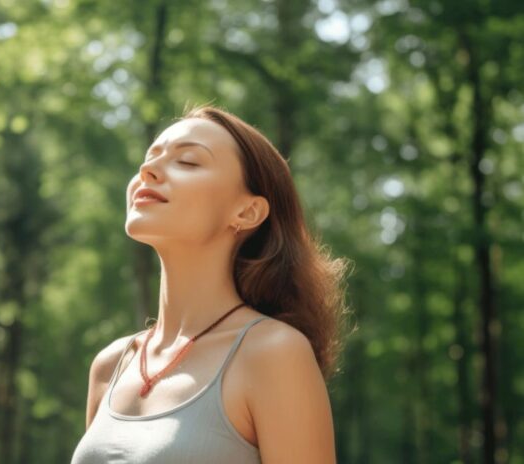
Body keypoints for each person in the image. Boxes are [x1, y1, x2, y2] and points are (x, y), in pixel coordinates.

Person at [70, 104, 352, 463]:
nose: (147, 170)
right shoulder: (111, 365)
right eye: (150, 157)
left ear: (247, 212)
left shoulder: (272, 352)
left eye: (187, 161)